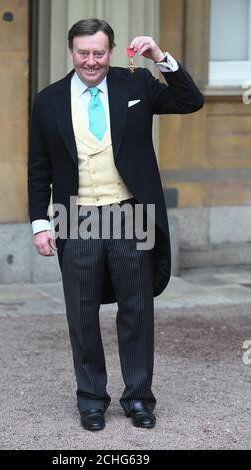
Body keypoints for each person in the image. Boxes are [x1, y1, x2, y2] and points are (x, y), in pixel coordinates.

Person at [28, 18, 204, 431]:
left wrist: (160, 58)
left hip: (133, 212)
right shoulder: (49, 99)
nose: (91, 60)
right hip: (76, 215)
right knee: (82, 312)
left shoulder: (136, 84)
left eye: (99, 52)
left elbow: (190, 101)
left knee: (137, 309)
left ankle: (139, 398)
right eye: (84, 52)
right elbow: (39, 167)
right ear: (71, 52)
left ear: (110, 51)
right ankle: (91, 399)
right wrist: (40, 222)